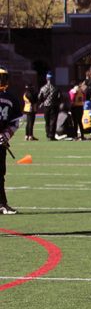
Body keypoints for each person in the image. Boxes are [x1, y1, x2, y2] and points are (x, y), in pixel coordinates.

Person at [0, 68, 20, 214]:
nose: (2, 81)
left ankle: (2, 204)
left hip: (0, 142)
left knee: (0, 174)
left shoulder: (11, 98)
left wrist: (6, 135)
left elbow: (15, 122)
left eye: (3, 78)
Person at [38, 73, 58, 141]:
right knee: (53, 121)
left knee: (47, 121)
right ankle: (52, 135)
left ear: (46, 79)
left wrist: (42, 102)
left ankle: (48, 135)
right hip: (54, 106)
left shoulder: (43, 88)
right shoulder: (55, 88)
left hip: (46, 106)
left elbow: (39, 97)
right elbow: (59, 97)